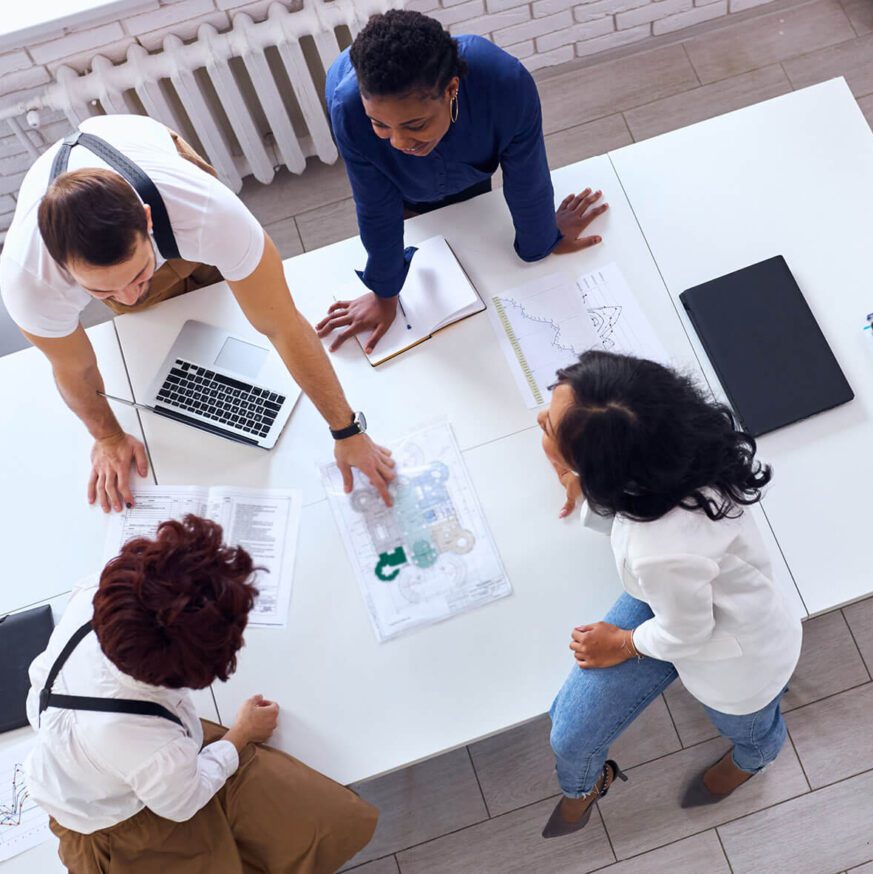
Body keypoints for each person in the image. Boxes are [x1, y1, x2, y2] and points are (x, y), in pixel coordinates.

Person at [0, 114, 397, 513]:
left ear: (148, 219)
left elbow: (281, 324)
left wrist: (346, 431)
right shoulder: (27, 279)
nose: (128, 294)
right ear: (61, 267)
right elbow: (75, 370)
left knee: (236, 292)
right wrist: (107, 438)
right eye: (102, 290)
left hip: (147, 151)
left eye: (138, 274)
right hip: (121, 229)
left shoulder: (204, 209)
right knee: (154, 314)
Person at [535, 351, 803, 838]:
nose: (538, 421)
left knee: (746, 722)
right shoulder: (680, 448)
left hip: (729, 653)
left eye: (549, 429)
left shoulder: (662, 552)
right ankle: (585, 784)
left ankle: (757, 756)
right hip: (683, 595)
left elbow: (690, 629)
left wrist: (623, 644)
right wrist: (580, 477)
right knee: (569, 726)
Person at [25, 514, 378, 872]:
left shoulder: (94, 595)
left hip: (105, 771)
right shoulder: (147, 744)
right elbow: (182, 801)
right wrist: (240, 736)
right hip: (123, 827)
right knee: (318, 827)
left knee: (314, 819)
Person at [317, 10, 608, 354]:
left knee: (469, 214)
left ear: (452, 88)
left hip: (471, 171)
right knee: (416, 213)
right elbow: (376, 207)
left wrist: (543, 238)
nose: (397, 141)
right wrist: (385, 292)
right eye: (380, 124)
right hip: (398, 188)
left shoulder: (506, 84)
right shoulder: (348, 109)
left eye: (413, 125)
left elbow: (527, 174)